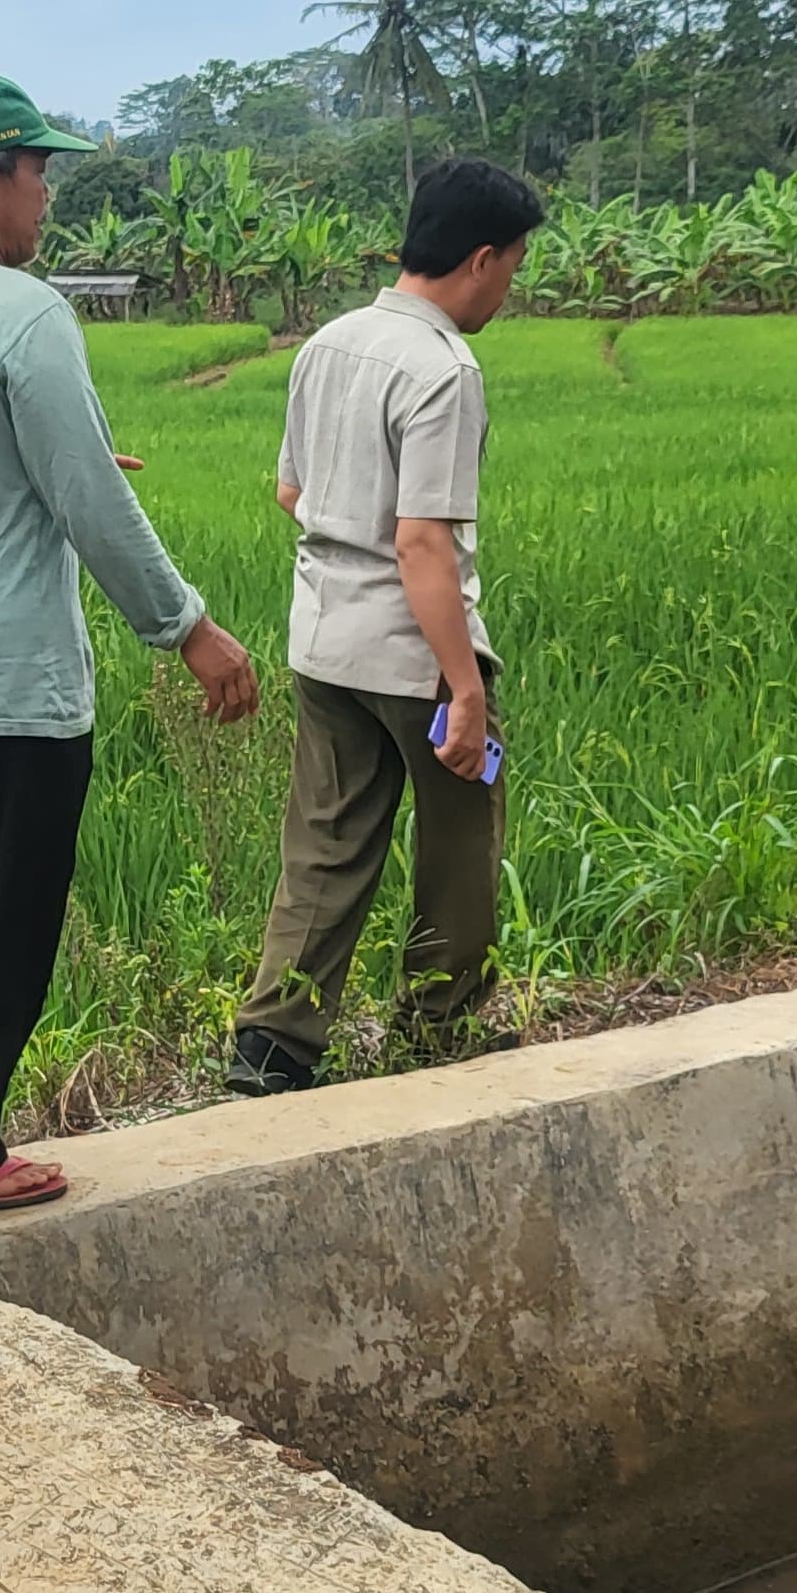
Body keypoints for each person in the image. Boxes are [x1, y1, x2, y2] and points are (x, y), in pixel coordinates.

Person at [0, 71, 258, 1213]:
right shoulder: (24, 311)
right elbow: (90, 503)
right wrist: (191, 630)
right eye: (39, 173)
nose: (46, 198)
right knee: (13, 911)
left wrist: (53, 466)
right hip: (4, 678)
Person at [228, 157, 543, 1095]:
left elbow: (292, 490)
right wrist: (467, 687)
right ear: (481, 259)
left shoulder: (328, 342)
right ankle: (438, 1029)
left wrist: (344, 550)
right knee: (459, 839)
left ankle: (273, 1046)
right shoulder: (443, 367)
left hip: (323, 643)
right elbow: (421, 546)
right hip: (413, 657)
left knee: (325, 843)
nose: (510, 286)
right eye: (515, 266)